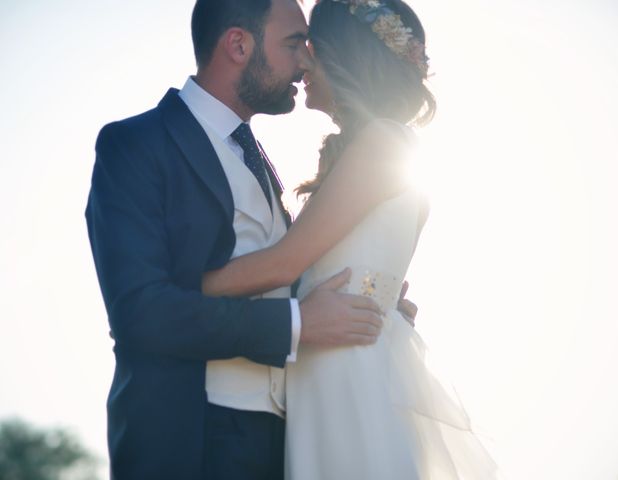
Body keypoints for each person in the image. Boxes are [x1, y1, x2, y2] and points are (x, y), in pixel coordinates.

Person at [85, 0, 418, 478]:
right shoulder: (135, 145)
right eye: (291, 43)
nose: (305, 60)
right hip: (191, 436)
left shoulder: (262, 161)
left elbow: (279, 269)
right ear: (238, 45)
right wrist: (296, 324)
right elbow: (139, 312)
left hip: (287, 438)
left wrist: (368, 294)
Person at [201, 0, 499, 478]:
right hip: (335, 362)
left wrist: (182, 289)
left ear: (345, 57)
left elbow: (285, 264)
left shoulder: (384, 143)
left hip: (346, 370)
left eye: (310, 49)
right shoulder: (380, 145)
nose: (301, 63)